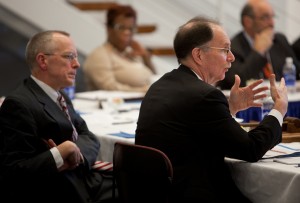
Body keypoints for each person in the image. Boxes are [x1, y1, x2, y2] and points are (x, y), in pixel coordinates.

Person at [135, 16, 288, 202]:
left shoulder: (160, 86)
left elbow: (197, 131)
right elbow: (251, 149)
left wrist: (230, 109)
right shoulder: (204, 96)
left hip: (154, 194)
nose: (231, 57)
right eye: (225, 50)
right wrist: (279, 109)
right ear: (198, 55)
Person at [0, 30, 116, 203]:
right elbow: (13, 172)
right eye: (69, 56)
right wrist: (59, 154)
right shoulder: (18, 104)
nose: (76, 64)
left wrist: (75, 155)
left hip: (82, 178)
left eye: (76, 57)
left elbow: (89, 136)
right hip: (59, 192)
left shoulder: (59, 95)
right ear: (43, 61)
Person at [217, 0, 300, 89]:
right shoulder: (233, 47)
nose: (272, 23)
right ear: (248, 21)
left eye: (272, 17)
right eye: (265, 17)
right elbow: (234, 82)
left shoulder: (279, 40)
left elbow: (297, 71)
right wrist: (258, 53)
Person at [83, 5, 156, 92]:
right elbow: (109, 87)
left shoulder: (131, 53)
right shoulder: (99, 55)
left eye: (131, 28)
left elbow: (154, 77)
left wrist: (145, 57)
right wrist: (145, 91)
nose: (127, 32)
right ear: (108, 28)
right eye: (121, 27)